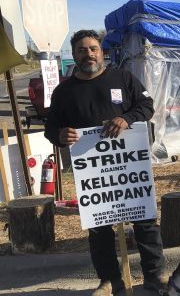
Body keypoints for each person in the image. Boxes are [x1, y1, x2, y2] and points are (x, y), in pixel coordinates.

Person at [44, 30, 168, 296]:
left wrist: (126, 119)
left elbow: (146, 106)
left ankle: (155, 276)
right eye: (81, 50)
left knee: (145, 221)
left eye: (93, 49)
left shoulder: (122, 78)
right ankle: (110, 280)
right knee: (99, 228)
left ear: (101, 52)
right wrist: (60, 134)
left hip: (129, 166)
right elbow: (51, 128)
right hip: (93, 173)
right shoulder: (64, 91)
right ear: (74, 55)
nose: (88, 54)